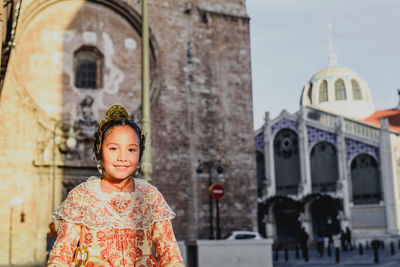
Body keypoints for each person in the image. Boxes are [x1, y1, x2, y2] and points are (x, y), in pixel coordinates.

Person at [47, 105, 184, 266]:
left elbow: (171, 256)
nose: (122, 157)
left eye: (131, 150)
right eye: (113, 148)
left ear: (140, 153)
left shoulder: (150, 196)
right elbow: (60, 257)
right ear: (99, 151)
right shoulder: (81, 196)